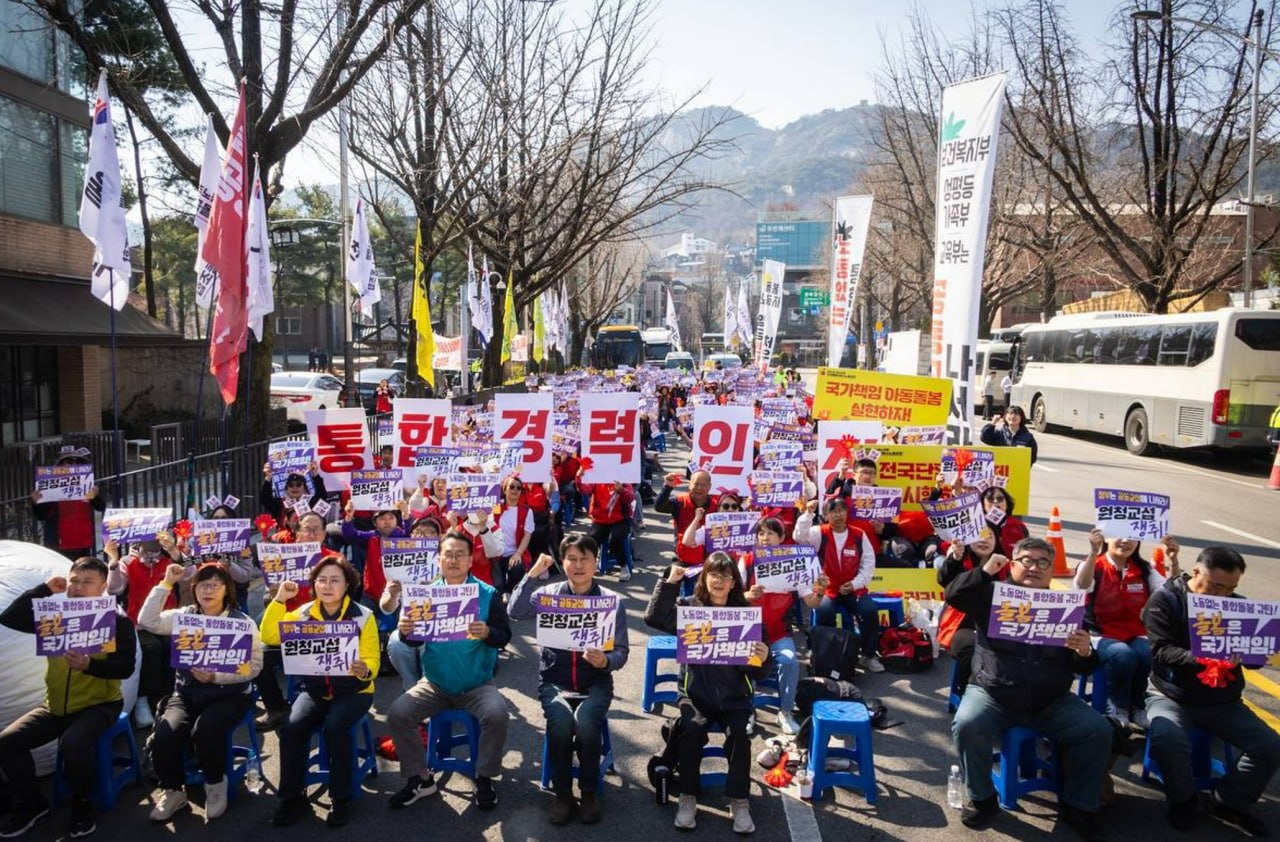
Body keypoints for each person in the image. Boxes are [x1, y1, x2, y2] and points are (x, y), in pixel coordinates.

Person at [945, 537, 1112, 840]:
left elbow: (1085, 666)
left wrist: (1085, 652)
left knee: (1097, 729)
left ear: (1052, 570)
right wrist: (984, 570)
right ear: (1012, 562)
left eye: (1043, 562)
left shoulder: (1067, 605)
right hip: (993, 692)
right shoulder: (992, 595)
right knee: (968, 723)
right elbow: (954, 594)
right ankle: (981, 798)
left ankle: (1079, 805)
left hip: (1051, 699)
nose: (1034, 567)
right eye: (1027, 560)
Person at [1142, 546, 1280, 834]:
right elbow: (1161, 651)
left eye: (1230, 588)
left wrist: (1257, 651)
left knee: (1269, 745)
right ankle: (1183, 799)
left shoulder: (1237, 606)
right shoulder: (1166, 601)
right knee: (1167, 737)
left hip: (1223, 701)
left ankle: (1230, 800)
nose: (1222, 595)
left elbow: (1253, 665)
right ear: (1195, 572)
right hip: (1171, 695)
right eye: (1216, 586)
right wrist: (1203, 657)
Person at [0, 557, 138, 839]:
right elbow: (10, 618)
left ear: (102, 587)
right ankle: (32, 804)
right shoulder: (54, 616)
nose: (78, 587)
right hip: (55, 706)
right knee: (8, 742)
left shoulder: (116, 621)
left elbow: (125, 668)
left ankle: (82, 802)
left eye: (87, 582)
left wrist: (90, 665)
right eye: (74, 580)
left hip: (101, 705)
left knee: (73, 743)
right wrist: (43, 590)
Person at [386, 530, 511, 812]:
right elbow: (414, 639)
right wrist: (406, 632)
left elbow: (505, 635)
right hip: (435, 683)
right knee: (398, 712)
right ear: (438, 559)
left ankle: (485, 776)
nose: (453, 560)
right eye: (448, 554)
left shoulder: (487, 593)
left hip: (478, 684)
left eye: (460, 555)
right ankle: (419, 778)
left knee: (497, 713)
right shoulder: (425, 594)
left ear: (470, 560)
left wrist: (488, 631)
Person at [645, 553, 769, 834]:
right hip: (695, 696)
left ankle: (739, 800)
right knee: (690, 731)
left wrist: (764, 658)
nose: (719, 581)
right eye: (714, 574)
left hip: (735, 698)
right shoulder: (689, 608)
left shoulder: (746, 615)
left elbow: (759, 673)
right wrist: (669, 583)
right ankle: (688, 797)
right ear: (704, 578)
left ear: (734, 583)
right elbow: (653, 617)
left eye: (726, 576)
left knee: (739, 736)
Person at [509, 537, 630, 825]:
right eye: (572, 558)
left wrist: (607, 661)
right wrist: (531, 573)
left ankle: (588, 793)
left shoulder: (611, 603)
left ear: (595, 563)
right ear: (562, 562)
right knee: (561, 724)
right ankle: (562, 794)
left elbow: (622, 651)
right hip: (554, 681)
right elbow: (515, 611)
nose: (578, 565)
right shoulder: (549, 595)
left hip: (595, 683)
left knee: (587, 724)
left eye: (585, 558)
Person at [261, 557, 381, 828]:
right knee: (291, 728)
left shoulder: (363, 616)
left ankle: (341, 798)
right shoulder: (303, 613)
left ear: (347, 584)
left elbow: (373, 657)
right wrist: (279, 600)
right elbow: (268, 636)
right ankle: (292, 797)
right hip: (315, 691)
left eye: (335, 580)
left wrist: (365, 668)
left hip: (355, 692)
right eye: (321, 580)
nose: (327, 586)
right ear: (313, 585)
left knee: (336, 728)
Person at [139, 561, 264, 822]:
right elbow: (146, 620)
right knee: (166, 731)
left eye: (216, 585)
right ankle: (173, 789)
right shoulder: (185, 617)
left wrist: (217, 675)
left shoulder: (242, 622)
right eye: (203, 585)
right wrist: (166, 583)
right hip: (187, 693)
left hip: (229, 695)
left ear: (226, 590)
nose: (208, 590)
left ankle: (215, 784)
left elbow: (255, 665)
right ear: (194, 589)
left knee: (206, 729)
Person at [1074, 529, 1179, 729]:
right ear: (1106, 538)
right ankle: (1117, 706)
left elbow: (1171, 591)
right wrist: (1093, 552)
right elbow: (1082, 585)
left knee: (1147, 652)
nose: (1125, 541)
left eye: (1132, 537)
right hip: (1099, 634)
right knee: (1123, 655)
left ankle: (1137, 706)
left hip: (1134, 632)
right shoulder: (1093, 564)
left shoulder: (1143, 568)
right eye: (1119, 535)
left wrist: (1172, 560)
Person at [738, 517, 825, 734]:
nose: (765, 538)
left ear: (781, 538)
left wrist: (821, 590)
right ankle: (747, 710)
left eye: (770, 533)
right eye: (761, 533)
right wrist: (746, 595)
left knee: (790, 662)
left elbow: (811, 602)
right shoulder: (747, 561)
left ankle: (785, 712)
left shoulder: (795, 563)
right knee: (745, 664)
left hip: (778, 633)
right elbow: (732, 599)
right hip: (749, 632)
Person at [105, 531, 192, 729]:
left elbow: (190, 574)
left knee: (174, 646)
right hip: (138, 622)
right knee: (150, 649)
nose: (151, 540)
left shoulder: (169, 558)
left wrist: (174, 551)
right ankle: (142, 701)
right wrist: (113, 561)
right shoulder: (128, 561)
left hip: (168, 618)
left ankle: (172, 695)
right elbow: (115, 589)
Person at [794, 496, 884, 673]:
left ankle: (868, 655)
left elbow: (868, 564)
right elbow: (798, 536)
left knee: (869, 612)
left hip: (853, 589)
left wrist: (855, 584)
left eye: (842, 510)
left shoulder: (858, 534)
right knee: (824, 610)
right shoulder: (819, 532)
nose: (838, 515)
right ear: (826, 515)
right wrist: (808, 514)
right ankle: (826, 654)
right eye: (833, 511)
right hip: (828, 589)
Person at [935, 526, 1005, 699]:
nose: (984, 540)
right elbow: (946, 582)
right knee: (973, 648)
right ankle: (967, 693)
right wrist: (955, 558)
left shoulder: (1006, 566)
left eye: (990, 536)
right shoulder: (961, 561)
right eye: (979, 535)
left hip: (998, 625)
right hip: (962, 627)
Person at [31, 447, 107, 561]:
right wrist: (35, 502)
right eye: (68, 462)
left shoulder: (86, 486)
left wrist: (95, 495)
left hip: (82, 541)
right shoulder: (50, 487)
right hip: (58, 543)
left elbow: (101, 507)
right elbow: (41, 516)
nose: (71, 466)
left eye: (77, 463)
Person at [655, 469, 714, 572]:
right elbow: (659, 507)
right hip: (683, 558)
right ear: (689, 485)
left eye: (703, 485)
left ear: (710, 486)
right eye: (696, 484)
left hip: (709, 560)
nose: (699, 488)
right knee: (668, 583)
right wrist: (667, 487)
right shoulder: (679, 502)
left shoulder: (717, 505)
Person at [579, 476, 635, 582]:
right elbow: (585, 490)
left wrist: (622, 491)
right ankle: (590, 565)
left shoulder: (624, 480)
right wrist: (580, 475)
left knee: (616, 539)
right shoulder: (596, 480)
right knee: (591, 540)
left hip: (621, 520)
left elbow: (630, 498)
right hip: (600, 520)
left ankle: (624, 566)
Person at [494, 475, 535, 594]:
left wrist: (518, 553)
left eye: (519, 488)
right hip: (495, 553)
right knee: (497, 585)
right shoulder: (496, 507)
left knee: (517, 568)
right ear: (504, 489)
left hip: (514, 552)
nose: (515, 490)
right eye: (511, 487)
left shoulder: (527, 511)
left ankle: (510, 590)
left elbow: (527, 535)